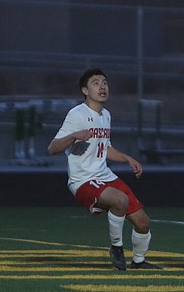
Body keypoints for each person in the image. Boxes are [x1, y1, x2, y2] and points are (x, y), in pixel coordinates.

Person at [47, 68, 161, 270]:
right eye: (96, 83)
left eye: (105, 82)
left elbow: (104, 147)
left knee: (143, 222)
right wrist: (74, 136)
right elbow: (52, 148)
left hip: (104, 176)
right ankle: (116, 247)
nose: (102, 87)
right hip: (83, 179)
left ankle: (139, 261)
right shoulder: (77, 114)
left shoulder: (105, 115)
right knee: (120, 200)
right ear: (85, 90)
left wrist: (127, 158)